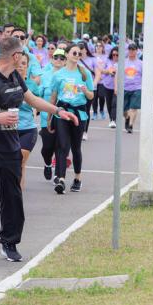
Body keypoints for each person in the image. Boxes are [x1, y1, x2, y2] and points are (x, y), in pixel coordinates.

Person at [0, 37, 77, 266]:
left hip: (10, 147)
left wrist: (58, 111)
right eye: (22, 54)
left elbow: (31, 99)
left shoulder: (14, 76)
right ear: (15, 56)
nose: (25, 58)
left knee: (12, 198)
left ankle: (9, 243)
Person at [48, 44, 94, 194]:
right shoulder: (58, 74)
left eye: (79, 53)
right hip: (62, 113)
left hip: (79, 114)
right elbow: (53, 97)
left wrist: (86, 91)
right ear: (67, 54)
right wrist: (50, 117)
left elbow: (91, 96)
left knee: (76, 148)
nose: (76, 55)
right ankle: (60, 179)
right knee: (62, 145)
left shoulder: (84, 73)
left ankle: (77, 178)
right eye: (74, 52)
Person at [39, 48, 67, 181]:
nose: (59, 60)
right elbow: (38, 95)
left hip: (63, 118)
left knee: (60, 147)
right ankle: (47, 163)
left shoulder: (69, 76)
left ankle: (58, 175)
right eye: (56, 57)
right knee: (47, 148)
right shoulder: (45, 75)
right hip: (46, 117)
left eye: (62, 58)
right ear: (52, 59)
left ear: (66, 61)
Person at [15, 54, 39, 189]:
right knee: (9, 164)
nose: (20, 66)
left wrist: (35, 112)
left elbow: (37, 104)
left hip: (27, 128)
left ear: (27, 66)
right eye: (18, 63)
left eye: (24, 63)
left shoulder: (32, 85)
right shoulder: (6, 83)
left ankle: (17, 194)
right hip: (8, 128)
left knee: (20, 161)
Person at [118, 43, 142, 133]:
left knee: (133, 108)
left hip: (137, 88)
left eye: (133, 50)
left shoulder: (140, 63)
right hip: (125, 88)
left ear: (136, 51)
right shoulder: (123, 62)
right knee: (124, 110)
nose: (131, 51)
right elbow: (118, 74)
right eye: (130, 50)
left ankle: (131, 125)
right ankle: (127, 118)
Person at [99, 47, 119, 128]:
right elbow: (102, 70)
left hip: (117, 86)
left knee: (115, 103)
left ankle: (114, 120)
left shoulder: (123, 62)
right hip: (107, 85)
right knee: (109, 104)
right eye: (113, 54)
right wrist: (108, 71)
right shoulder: (108, 61)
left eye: (117, 55)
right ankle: (111, 119)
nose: (115, 56)